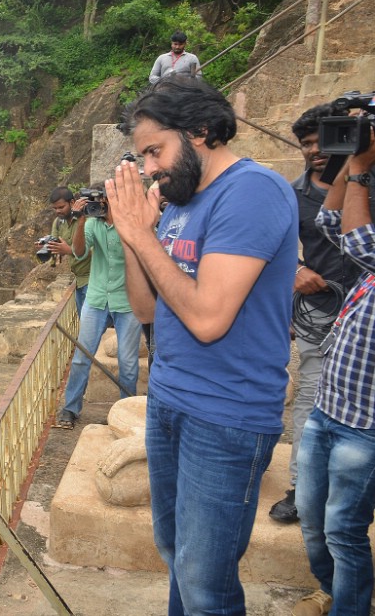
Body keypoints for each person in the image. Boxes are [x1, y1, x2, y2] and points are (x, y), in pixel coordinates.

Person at [109, 76, 297, 614]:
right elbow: (146, 309)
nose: (148, 169)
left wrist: (145, 236)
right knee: (176, 554)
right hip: (169, 398)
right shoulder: (179, 203)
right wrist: (132, 236)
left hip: (226, 414)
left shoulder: (253, 192)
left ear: (201, 131)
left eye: (154, 151)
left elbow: (209, 318)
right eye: (142, 157)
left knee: (206, 580)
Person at [268, 104, 371, 524]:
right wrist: (295, 270)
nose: (317, 150)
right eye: (308, 144)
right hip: (319, 311)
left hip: (366, 314)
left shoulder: (365, 184)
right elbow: (273, 249)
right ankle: (302, 487)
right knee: (310, 397)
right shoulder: (291, 196)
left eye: (323, 140)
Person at [294, 130, 375, 616]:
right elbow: (330, 219)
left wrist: (362, 165)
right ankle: (332, 590)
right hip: (328, 411)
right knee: (310, 514)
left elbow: (357, 237)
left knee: (343, 529)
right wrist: (350, 158)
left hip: (365, 426)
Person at [55, 183, 141, 430]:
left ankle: (127, 412)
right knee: (82, 356)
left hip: (126, 300)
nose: (96, 206)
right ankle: (71, 408)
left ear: (109, 200)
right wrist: (81, 220)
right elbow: (79, 253)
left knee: (128, 362)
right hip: (96, 297)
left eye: (99, 202)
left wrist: (117, 217)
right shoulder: (91, 222)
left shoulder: (129, 222)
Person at [46, 187, 94, 313]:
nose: (58, 211)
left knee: (89, 327)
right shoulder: (58, 222)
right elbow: (55, 247)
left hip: (93, 280)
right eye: (55, 208)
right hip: (78, 281)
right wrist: (46, 248)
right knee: (84, 324)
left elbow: (96, 251)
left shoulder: (87, 220)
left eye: (61, 207)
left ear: (72, 203)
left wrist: (69, 250)